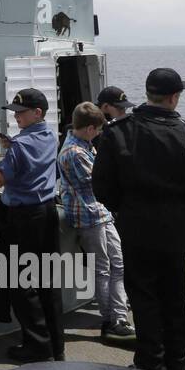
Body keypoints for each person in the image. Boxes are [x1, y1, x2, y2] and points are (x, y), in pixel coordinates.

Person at [92, 68, 185, 370]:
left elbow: (101, 185)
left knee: (143, 298)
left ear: (148, 93)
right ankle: (178, 368)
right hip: (175, 230)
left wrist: (125, 211)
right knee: (175, 297)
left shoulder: (117, 132)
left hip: (135, 227)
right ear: (174, 96)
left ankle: (151, 366)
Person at [0, 88, 64, 363]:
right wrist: (11, 142)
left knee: (23, 284)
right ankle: (56, 345)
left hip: (24, 218)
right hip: (48, 213)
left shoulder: (20, 146)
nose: (16, 117)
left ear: (37, 112)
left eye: (21, 113)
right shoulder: (51, 136)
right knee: (48, 281)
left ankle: (37, 348)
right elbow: (32, 151)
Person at [58, 102, 134, 346]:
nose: (100, 134)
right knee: (103, 270)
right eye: (98, 130)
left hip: (101, 214)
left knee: (118, 265)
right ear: (90, 128)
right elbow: (98, 183)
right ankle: (111, 319)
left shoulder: (83, 145)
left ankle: (120, 317)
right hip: (89, 217)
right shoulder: (74, 153)